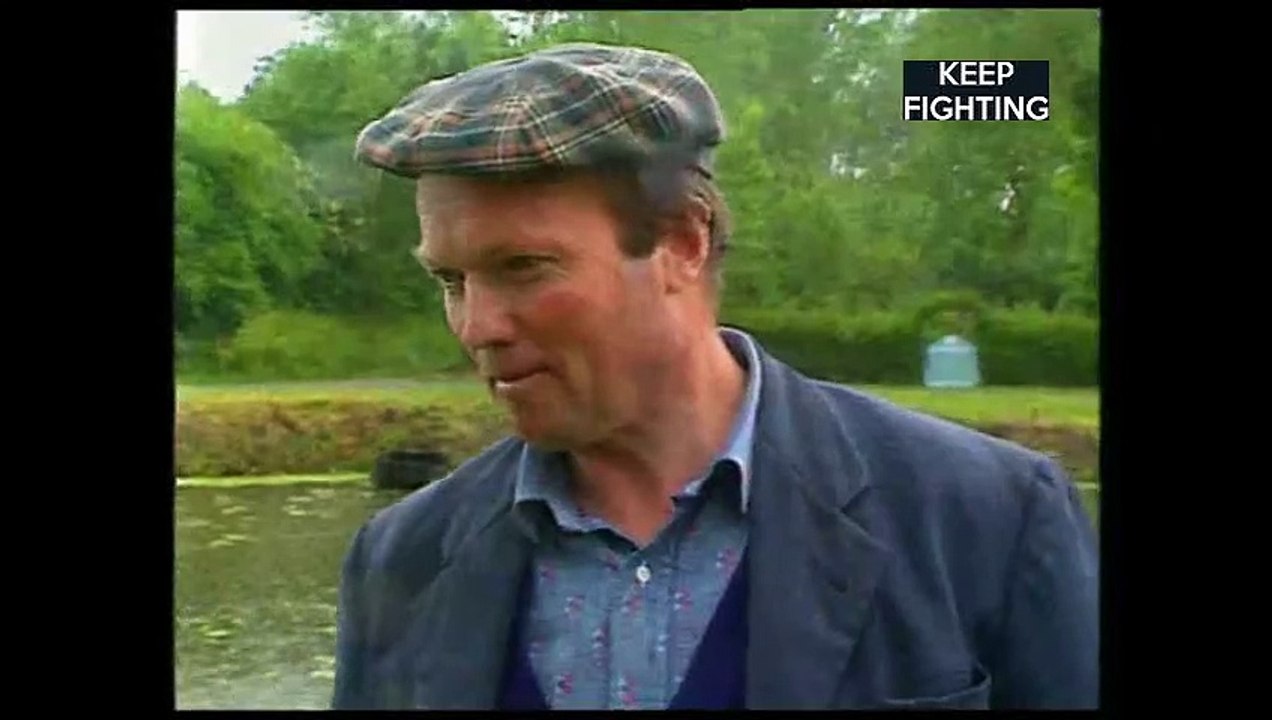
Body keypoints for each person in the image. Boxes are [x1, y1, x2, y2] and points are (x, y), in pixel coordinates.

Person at [331, 42, 1099, 711]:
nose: (477, 327)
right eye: (451, 281)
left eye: (523, 267)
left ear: (684, 241)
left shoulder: (986, 521)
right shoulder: (400, 559)